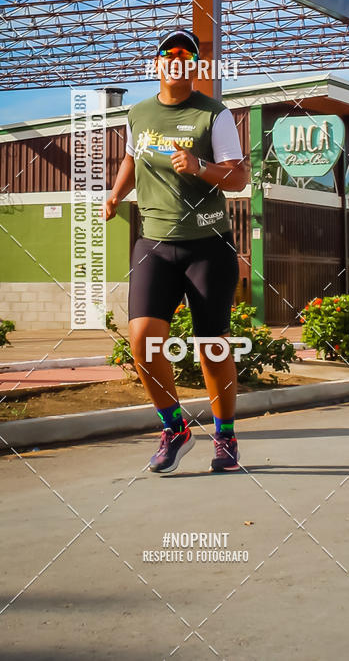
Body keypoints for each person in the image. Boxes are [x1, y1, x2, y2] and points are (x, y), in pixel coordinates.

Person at [103, 29, 248, 474]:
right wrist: (115, 193)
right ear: (158, 63)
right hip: (156, 243)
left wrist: (200, 166)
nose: (177, 60)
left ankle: (225, 436)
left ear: (196, 65)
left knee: (212, 347)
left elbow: (238, 178)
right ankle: (174, 427)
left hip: (207, 245)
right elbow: (132, 157)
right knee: (142, 337)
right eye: (169, 53)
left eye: (186, 54)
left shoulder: (214, 115)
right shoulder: (139, 113)